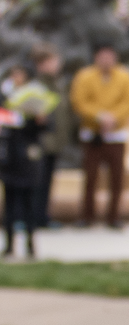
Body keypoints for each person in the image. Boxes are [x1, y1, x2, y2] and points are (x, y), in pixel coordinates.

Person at [69, 44, 129, 229]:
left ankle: (114, 216)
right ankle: (87, 215)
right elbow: (79, 101)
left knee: (117, 177)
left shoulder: (124, 77)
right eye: (103, 56)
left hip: (116, 134)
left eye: (110, 56)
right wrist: (99, 117)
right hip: (93, 133)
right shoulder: (85, 76)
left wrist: (113, 118)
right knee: (90, 176)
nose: (106, 60)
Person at [1, 65, 58, 257]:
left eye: (19, 73)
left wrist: (40, 120)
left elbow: (49, 126)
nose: (16, 77)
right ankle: (9, 245)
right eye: (13, 73)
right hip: (10, 156)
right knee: (9, 203)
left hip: (29, 156)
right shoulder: (5, 95)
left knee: (29, 202)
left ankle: (30, 244)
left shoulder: (37, 95)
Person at [28, 45, 64, 229]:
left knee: (46, 182)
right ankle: (32, 218)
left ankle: (42, 216)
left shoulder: (56, 84)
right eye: (53, 61)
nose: (57, 64)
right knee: (37, 183)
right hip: (41, 143)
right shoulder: (36, 87)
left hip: (54, 142)